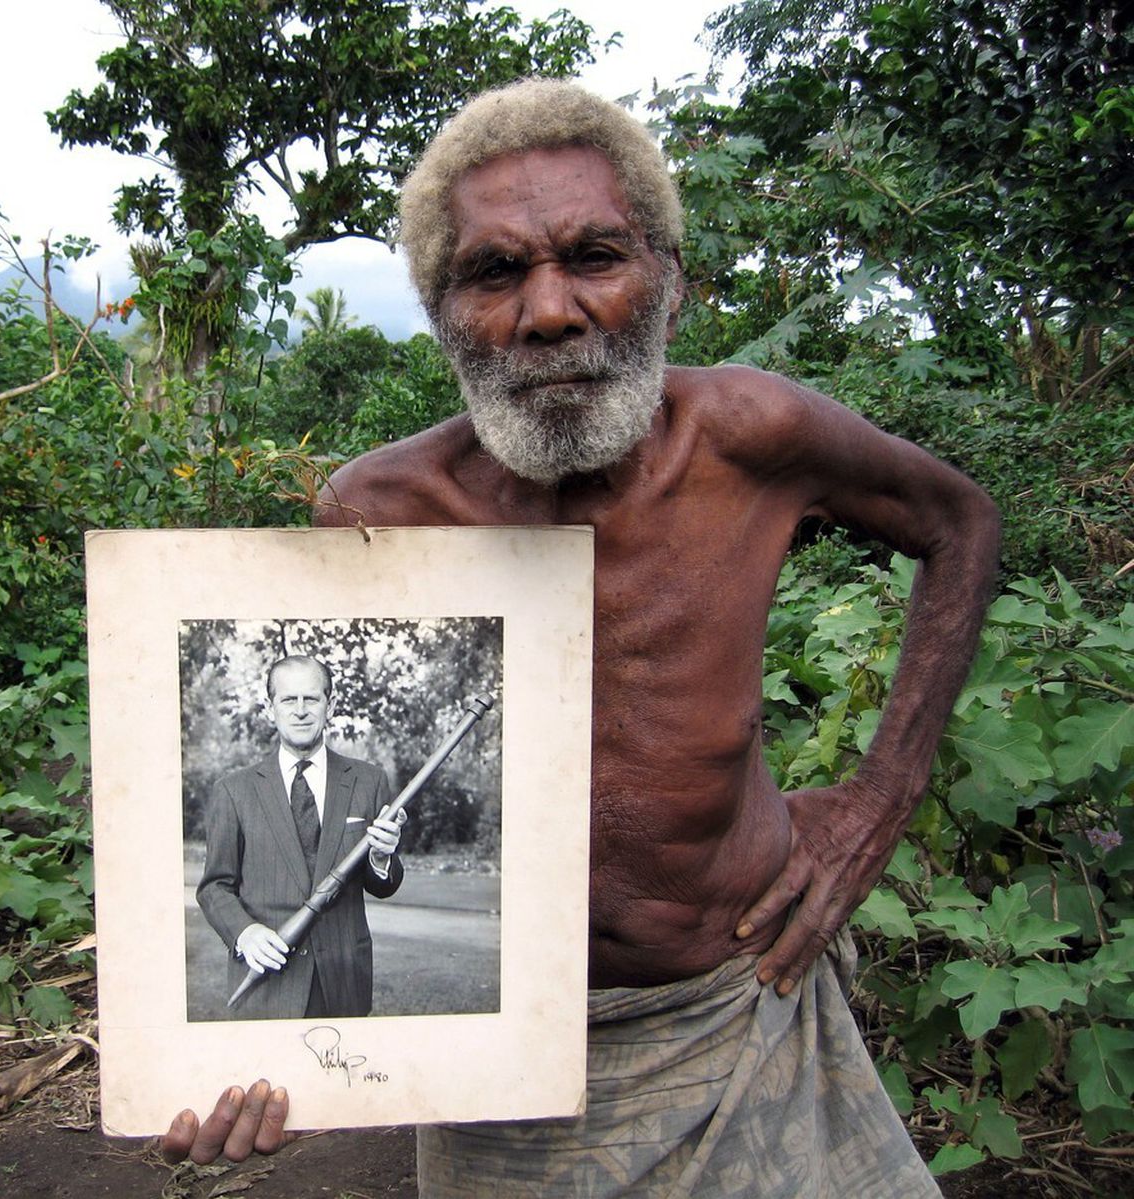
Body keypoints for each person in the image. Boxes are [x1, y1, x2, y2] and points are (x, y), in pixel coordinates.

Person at [162, 78, 1000, 1196]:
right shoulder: (381, 512)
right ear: (442, 316)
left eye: (595, 257)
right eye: (495, 271)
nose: (550, 310)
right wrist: (260, 1066)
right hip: (502, 1068)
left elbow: (959, 523)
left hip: (744, 1003)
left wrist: (878, 801)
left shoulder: (752, 437)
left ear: (670, 284)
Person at [196, 655, 406, 1020]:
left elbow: (383, 886)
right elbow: (215, 887)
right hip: (266, 983)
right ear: (271, 708)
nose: (300, 710)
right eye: (288, 699)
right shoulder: (233, 791)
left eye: (311, 698)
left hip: (344, 983)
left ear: (330, 705)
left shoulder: (369, 781)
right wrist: (245, 933)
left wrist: (381, 858)